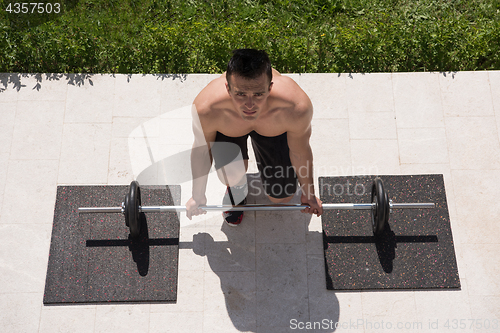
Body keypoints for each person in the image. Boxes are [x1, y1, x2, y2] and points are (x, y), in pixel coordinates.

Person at [186, 49, 323, 225]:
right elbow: (202, 152)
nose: (249, 105)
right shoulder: (207, 109)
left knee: (281, 197)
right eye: (240, 94)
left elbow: (300, 152)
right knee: (230, 176)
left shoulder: (295, 108)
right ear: (228, 88)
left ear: (270, 87)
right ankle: (237, 188)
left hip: (273, 129)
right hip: (228, 128)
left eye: (258, 94)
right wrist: (197, 196)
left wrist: (309, 194)